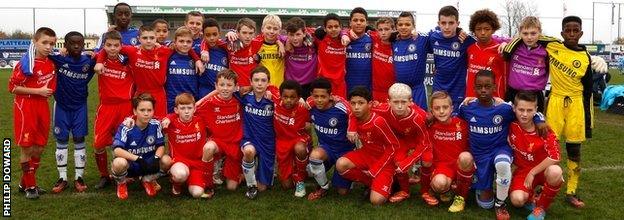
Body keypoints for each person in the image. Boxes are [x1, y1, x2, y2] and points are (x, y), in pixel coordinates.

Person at [459, 70, 545, 220]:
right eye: (479, 87)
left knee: (503, 164)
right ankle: (483, 187)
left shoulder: (504, 108)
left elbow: (524, 111)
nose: (483, 90)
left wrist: (539, 120)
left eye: (487, 86)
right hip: (479, 154)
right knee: (485, 204)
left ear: (494, 87)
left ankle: (501, 204)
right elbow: (452, 119)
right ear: (474, 88)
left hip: (500, 149)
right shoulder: (466, 107)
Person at [95, 25, 204, 118]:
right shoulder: (132, 51)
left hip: (159, 94)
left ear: (156, 38)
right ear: (139, 39)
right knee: (140, 123)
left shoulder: (165, 51)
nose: (148, 40)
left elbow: (185, 47)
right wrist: (99, 61)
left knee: (159, 126)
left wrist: (197, 59)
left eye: (152, 37)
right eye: (145, 38)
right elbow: (110, 48)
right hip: (140, 93)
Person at [9, 27, 57, 199]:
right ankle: (30, 187)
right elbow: (12, 87)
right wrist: (38, 91)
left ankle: (25, 182)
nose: (48, 47)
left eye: (52, 43)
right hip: (26, 106)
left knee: (39, 147)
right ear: (34, 42)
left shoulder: (51, 62)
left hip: (42, 106)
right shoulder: (25, 64)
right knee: (27, 148)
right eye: (44, 42)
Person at [45, 32, 96, 193]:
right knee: (62, 140)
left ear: (83, 45)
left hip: (80, 106)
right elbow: (37, 50)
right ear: (64, 45)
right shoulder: (58, 58)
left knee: (79, 139)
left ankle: (79, 177)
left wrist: (93, 54)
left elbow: (105, 53)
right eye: (72, 43)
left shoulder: (89, 60)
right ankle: (63, 177)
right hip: (61, 106)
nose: (76, 46)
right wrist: (56, 52)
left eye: (79, 43)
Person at [336, 86, 399, 205]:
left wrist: (376, 169)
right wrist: (351, 128)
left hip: (384, 159)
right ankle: (372, 182)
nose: (356, 107)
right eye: (353, 103)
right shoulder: (354, 115)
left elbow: (393, 146)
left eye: (361, 103)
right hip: (366, 154)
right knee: (341, 164)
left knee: (376, 201)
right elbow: (351, 113)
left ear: (370, 104)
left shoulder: (378, 122)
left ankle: (392, 182)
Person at [369, 83, 430, 204]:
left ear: (411, 102)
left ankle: (425, 191)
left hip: (421, 142)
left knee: (428, 161)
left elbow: (425, 143)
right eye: (396, 102)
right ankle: (405, 191)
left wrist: (409, 161)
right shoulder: (383, 109)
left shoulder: (419, 117)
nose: (400, 106)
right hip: (401, 142)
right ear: (388, 101)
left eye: (403, 102)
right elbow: (361, 108)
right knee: (398, 163)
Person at [508, 92, 563, 220]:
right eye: (521, 109)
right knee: (517, 200)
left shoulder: (543, 130)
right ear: (514, 109)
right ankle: (532, 198)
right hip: (523, 171)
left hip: (543, 171)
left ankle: (541, 208)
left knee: (555, 171)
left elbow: (555, 157)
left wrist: (533, 172)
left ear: (536, 110)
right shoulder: (511, 125)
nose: (525, 114)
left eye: (529, 110)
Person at [92, 30, 134, 189]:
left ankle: (125, 173)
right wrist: (99, 59)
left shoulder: (128, 61)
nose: (112, 48)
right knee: (98, 143)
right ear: (103, 46)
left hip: (125, 107)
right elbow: (96, 54)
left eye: (116, 45)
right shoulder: (98, 60)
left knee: (126, 142)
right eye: (108, 45)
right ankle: (104, 176)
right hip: (106, 107)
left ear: (121, 46)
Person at [111, 93, 172, 200]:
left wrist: (156, 158)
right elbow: (117, 150)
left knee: (167, 161)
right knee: (118, 163)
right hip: (131, 165)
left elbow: (161, 145)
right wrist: (138, 159)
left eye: (149, 110)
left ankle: (147, 180)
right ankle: (121, 183)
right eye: (142, 110)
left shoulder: (156, 124)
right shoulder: (126, 126)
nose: (146, 113)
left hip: (148, 164)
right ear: (135, 111)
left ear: (153, 111)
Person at [306, 77, 356, 201]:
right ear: (311, 95)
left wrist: (352, 129)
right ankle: (324, 187)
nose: (319, 100)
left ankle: (350, 173)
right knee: (314, 158)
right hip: (326, 149)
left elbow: (355, 113)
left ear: (330, 96)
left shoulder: (341, 107)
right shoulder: (310, 105)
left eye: (323, 96)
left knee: (342, 192)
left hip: (345, 151)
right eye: (316, 96)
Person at [195, 69, 244, 193]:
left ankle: (231, 168)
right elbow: (187, 112)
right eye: (221, 85)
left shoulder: (240, 101)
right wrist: (169, 118)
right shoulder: (209, 103)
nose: (225, 88)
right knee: (208, 148)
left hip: (234, 144)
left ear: (235, 87)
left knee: (231, 187)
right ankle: (208, 184)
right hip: (218, 142)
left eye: (229, 85)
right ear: (216, 86)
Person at [162, 93, 215, 199]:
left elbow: (208, 102)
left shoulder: (201, 121)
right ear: (176, 110)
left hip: (197, 164)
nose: (186, 111)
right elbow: (151, 120)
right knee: (180, 174)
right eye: (182, 108)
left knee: (197, 194)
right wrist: (133, 118)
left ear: (194, 109)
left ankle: (190, 180)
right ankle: (176, 184)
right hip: (180, 161)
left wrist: (217, 91)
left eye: (189, 108)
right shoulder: (171, 122)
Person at [237, 66, 279, 199]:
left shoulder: (274, 98)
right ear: (251, 81)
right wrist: (199, 102)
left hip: (268, 142)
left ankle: (250, 171)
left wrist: (302, 100)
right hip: (249, 138)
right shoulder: (244, 95)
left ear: (268, 82)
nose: (259, 83)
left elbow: (291, 99)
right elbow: (222, 90)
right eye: (256, 80)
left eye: (263, 80)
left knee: (263, 188)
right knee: (248, 151)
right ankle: (251, 185)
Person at [428, 91, 474, 212]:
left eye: (445, 107)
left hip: (461, 164)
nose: (442, 111)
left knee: (466, 156)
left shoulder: (463, 124)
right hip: (442, 167)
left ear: (452, 108)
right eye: (437, 108)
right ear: (431, 111)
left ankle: (461, 197)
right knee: (439, 183)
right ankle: (447, 189)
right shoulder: (429, 126)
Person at [429, 5, 476, 112]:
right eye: (443, 23)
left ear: (457, 23)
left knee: (456, 124)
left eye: (451, 23)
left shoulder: (465, 39)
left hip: (457, 91)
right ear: (438, 24)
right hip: (438, 88)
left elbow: (486, 40)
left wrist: (504, 43)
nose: (446, 27)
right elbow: (416, 38)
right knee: (436, 123)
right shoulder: (433, 37)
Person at [273, 80, 311, 197]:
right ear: (281, 96)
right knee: (287, 186)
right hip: (282, 142)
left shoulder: (303, 108)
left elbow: (309, 125)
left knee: (300, 149)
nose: (288, 100)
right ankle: (297, 169)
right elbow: (267, 87)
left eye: (293, 97)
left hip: (297, 139)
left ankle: (300, 178)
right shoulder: (275, 101)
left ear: (299, 97)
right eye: (285, 97)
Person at [502, 16, 548, 112]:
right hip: (513, 93)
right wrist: (502, 44)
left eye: (533, 33)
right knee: (509, 123)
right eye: (525, 33)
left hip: (534, 95)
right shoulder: (513, 46)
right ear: (520, 34)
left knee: (535, 125)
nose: (529, 37)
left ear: (540, 32)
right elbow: (494, 38)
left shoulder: (546, 51)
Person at [391, 11, 431, 109]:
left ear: (413, 26)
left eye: (407, 24)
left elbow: (439, 35)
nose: (403, 27)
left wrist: (459, 30)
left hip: (418, 89)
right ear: (396, 27)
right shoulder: (392, 41)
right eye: (400, 24)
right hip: (399, 91)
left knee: (421, 119)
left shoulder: (421, 39)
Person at [466, 9, 506, 98]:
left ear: (493, 30)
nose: (483, 33)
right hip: (472, 99)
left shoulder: (500, 50)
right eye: (478, 29)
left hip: (493, 101)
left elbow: (505, 77)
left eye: (487, 29)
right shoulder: (470, 49)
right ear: (474, 30)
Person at [165, 27, 203, 113]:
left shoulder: (196, 57)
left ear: (192, 42)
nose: (185, 44)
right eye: (181, 41)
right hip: (172, 101)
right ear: (175, 42)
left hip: (191, 101)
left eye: (188, 42)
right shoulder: (169, 56)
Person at [283, 17, 317, 99]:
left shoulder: (314, 42)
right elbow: (267, 36)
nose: (295, 38)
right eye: (291, 35)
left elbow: (337, 32)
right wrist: (281, 44)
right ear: (287, 34)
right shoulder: (283, 42)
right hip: (290, 86)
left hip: (309, 86)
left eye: (298, 34)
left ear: (304, 33)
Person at [315, 13, 348, 97]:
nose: (333, 29)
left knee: (339, 108)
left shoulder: (346, 39)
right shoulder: (320, 40)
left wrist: (344, 34)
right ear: (325, 29)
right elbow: (302, 31)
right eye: (330, 27)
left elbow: (367, 31)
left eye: (336, 26)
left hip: (340, 84)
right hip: (323, 84)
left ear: (341, 27)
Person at [344, 7, 373, 92]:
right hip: (346, 88)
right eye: (355, 20)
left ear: (366, 22)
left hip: (367, 89)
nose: (358, 23)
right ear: (350, 22)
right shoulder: (342, 39)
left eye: (362, 20)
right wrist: (344, 33)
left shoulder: (372, 40)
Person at [198, 17, 228, 98]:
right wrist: (197, 60)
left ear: (219, 33)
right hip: (203, 94)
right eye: (208, 35)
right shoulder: (199, 49)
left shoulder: (226, 50)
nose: (211, 38)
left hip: (222, 93)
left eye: (214, 34)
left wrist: (232, 32)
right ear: (202, 35)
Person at [257, 14, 286, 87]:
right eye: (268, 28)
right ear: (262, 29)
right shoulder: (255, 45)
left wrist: (280, 43)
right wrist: (231, 32)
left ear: (279, 31)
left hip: (279, 88)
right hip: (262, 88)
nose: (271, 31)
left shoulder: (285, 44)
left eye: (275, 29)